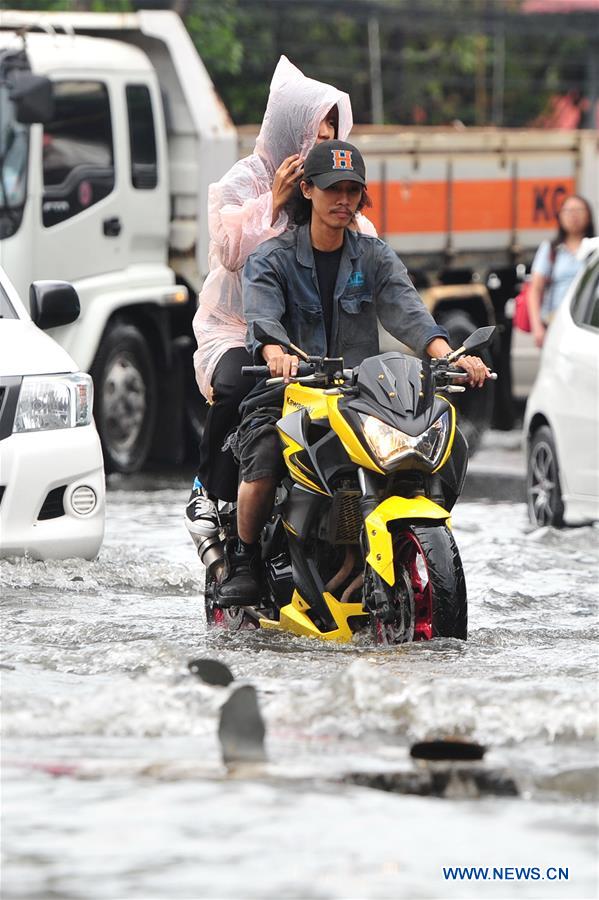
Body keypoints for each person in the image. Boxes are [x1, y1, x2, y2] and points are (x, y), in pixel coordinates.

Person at [216, 139, 491, 604]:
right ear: (307, 190)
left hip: (361, 397)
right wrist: (276, 352)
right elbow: (263, 321)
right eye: (333, 189)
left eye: (353, 190)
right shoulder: (271, 258)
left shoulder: (374, 256)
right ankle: (244, 559)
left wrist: (450, 355)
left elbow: (411, 314)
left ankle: (386, 545)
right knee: (263, 455)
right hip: (290, 393)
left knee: (448, 443)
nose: (344, 200)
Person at [185, 56, 376, 548]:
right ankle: (212, 491)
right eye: (318, 126)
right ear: (290, 126)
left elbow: (379, 273)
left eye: (334, 126)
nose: (327, 135)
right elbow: (231, 254)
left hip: (309, 333)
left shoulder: (334, 195)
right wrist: (273, 201)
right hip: (237, 324)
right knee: (235, 386)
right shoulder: (242, 181)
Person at [528, 194, 595, 348]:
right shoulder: (551, 250)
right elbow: (535, 290)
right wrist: (537, 327)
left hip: (588, 326)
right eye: (568, 211)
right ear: (560, 216)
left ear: (589, 215)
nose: (573, 215)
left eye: (578, 210)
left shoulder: (595, 249)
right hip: (556, 325)